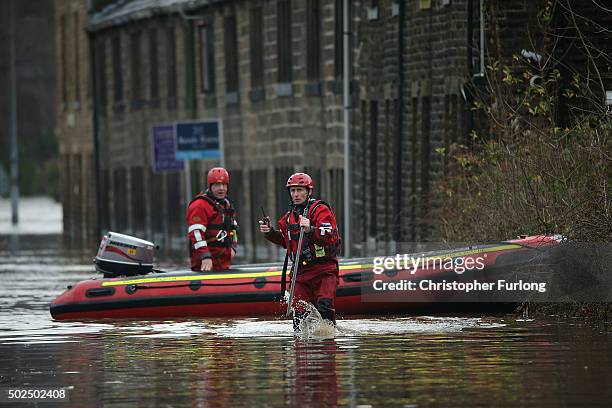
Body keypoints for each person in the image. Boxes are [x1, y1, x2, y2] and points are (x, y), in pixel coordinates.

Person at [258, 172, 341, 330]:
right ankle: (301, 349)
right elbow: (285, 241)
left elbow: (331, 236)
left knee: (324, 306)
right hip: (301, 273)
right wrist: (269, 232)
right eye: (292, 191)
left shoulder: (320, 210)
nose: (295, 194)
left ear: (308, 191)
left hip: (324, 270)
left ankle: (328, 341)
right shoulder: (288, 217)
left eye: (299, 190)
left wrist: (310, 229)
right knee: (299, 314)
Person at [187, 167, 238, 271]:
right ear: (210, 186)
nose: (221, 188)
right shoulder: (200, 205)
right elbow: (196, 233)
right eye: (217, 185)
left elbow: (234, 229)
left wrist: (233, 247)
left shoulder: (227, 204)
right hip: (205, 265)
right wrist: (205, 255)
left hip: (223, 264)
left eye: (224, 185)